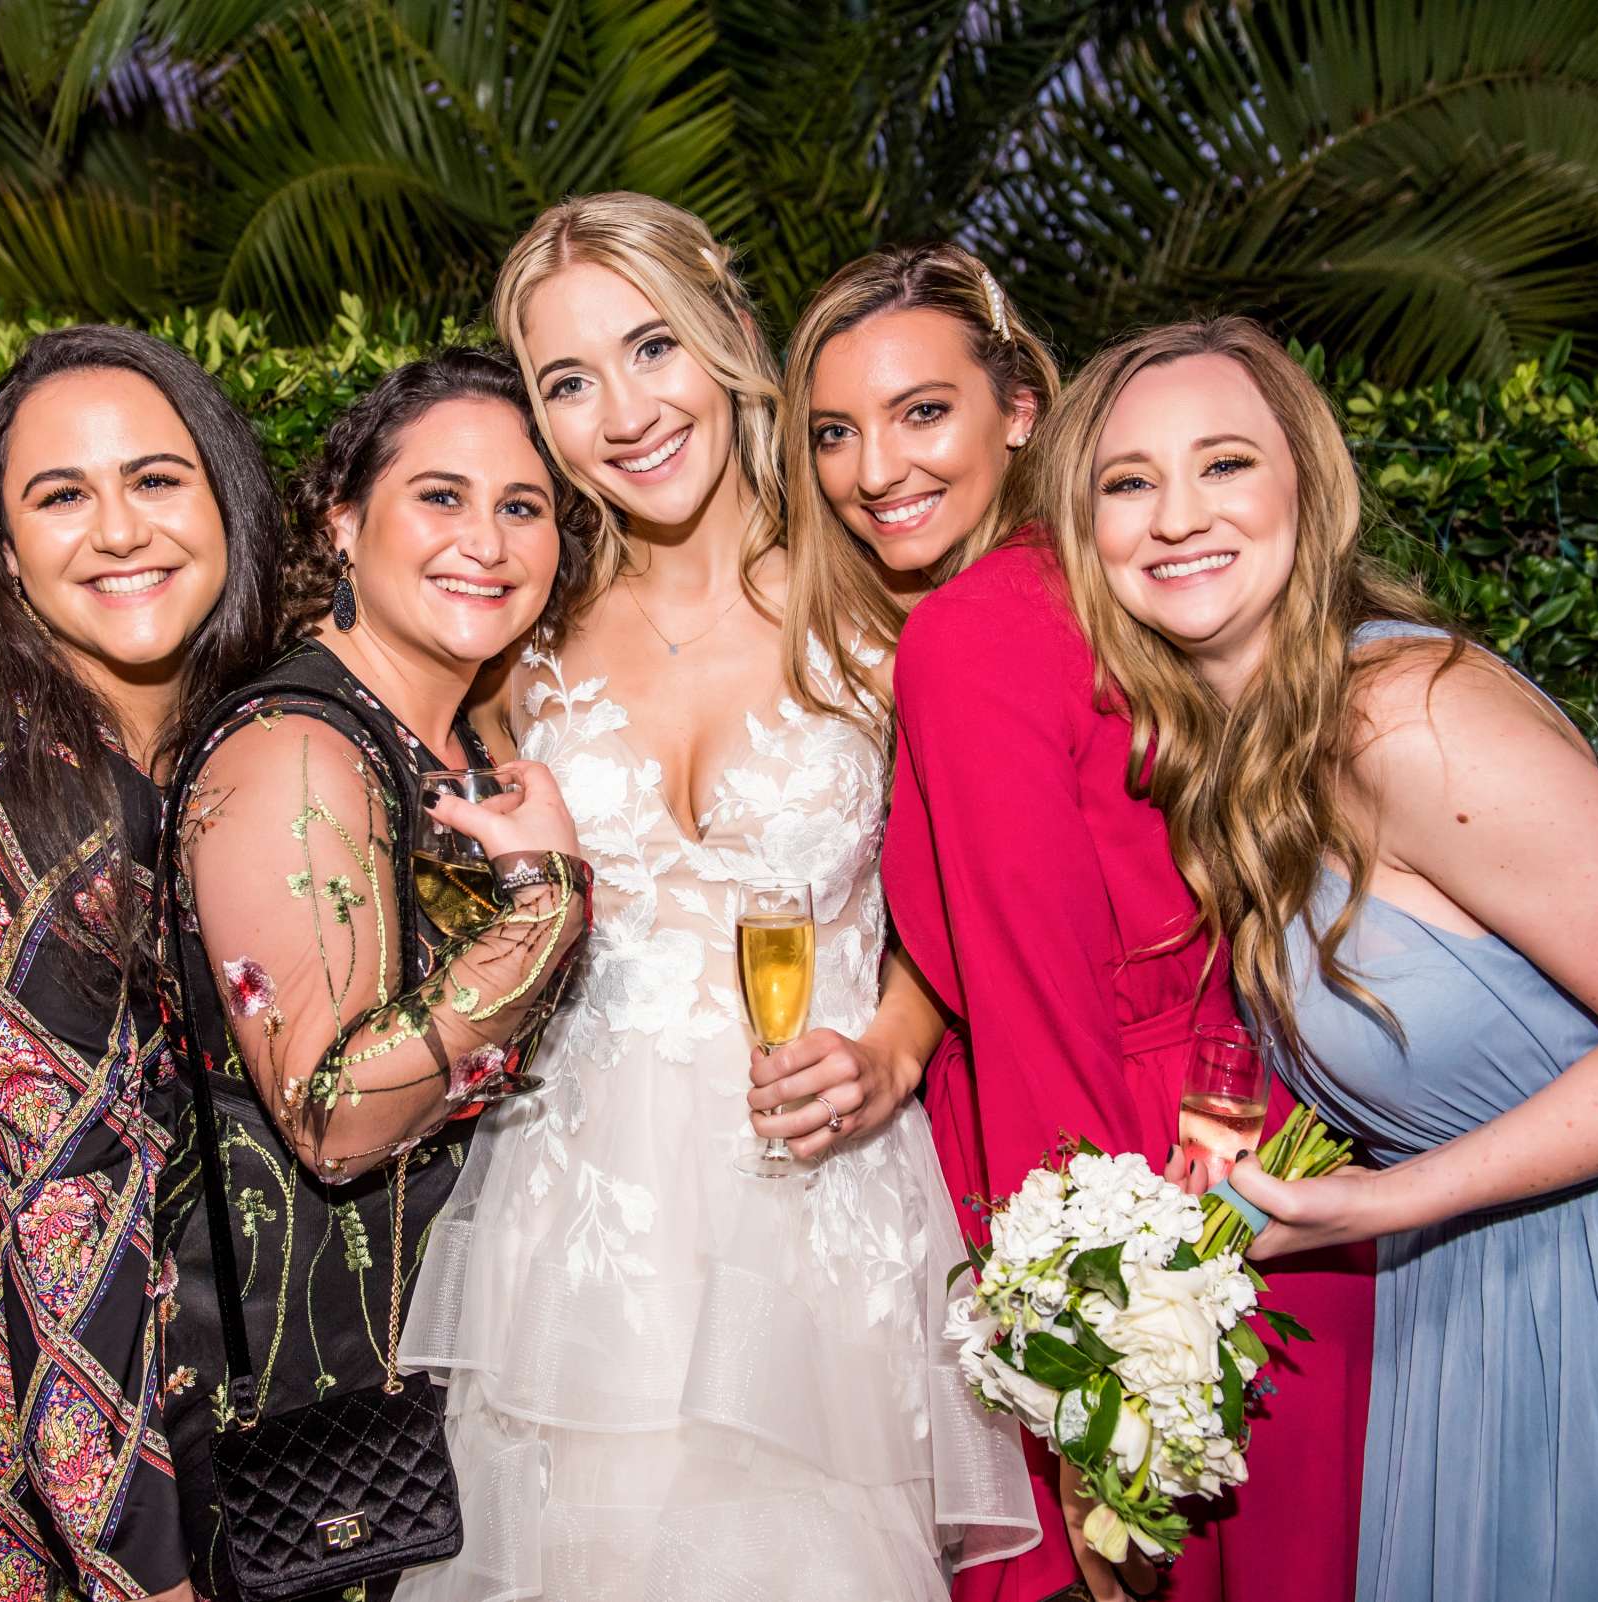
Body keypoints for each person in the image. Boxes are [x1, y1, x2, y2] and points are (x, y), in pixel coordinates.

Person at [1039, 314, 1598, 1601]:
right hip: (1484, 1306)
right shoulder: (1236, 765)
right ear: (1087, 532)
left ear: (1307, 491)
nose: (1176, 515)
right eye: (1129, 482)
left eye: (1225, 464)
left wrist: (1388, 1201)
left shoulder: (1402, 714)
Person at [397, 196, 1039, 1602]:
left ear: (731, 339)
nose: (622, 412)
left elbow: (972, 888)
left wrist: (897, 1045)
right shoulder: (520, 637)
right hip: (574, 1223)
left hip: (815, 1204)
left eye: (651, 349)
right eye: (568, 381)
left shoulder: (887, 606)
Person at [802, 249, 1374, 1602]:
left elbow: (1035, 1007)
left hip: (1122, 1220)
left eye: (921, 411)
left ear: (1020, 407)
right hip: (1242, 1172)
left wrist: (1088, 1384)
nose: (875, 466)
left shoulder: (977, 628)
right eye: (834, 431)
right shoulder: (1123, 585)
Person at [0, 325, 284, 1602]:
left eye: (155, 478)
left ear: (223, 497)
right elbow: (62, 1202)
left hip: (230, 1414)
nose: (120, 530)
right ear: (7, 552)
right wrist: (139, 1569)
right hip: (54, 1468)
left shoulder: (241, 743)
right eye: (62, 496)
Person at [158, 348, 595, 1598]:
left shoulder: (450, 736)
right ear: (345, 518)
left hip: (432, 1363)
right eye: (441, 497)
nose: (490, 540)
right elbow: (336, 1116)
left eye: (524, 506)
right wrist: (549, 902)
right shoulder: (298, 749)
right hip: (312, 1396)